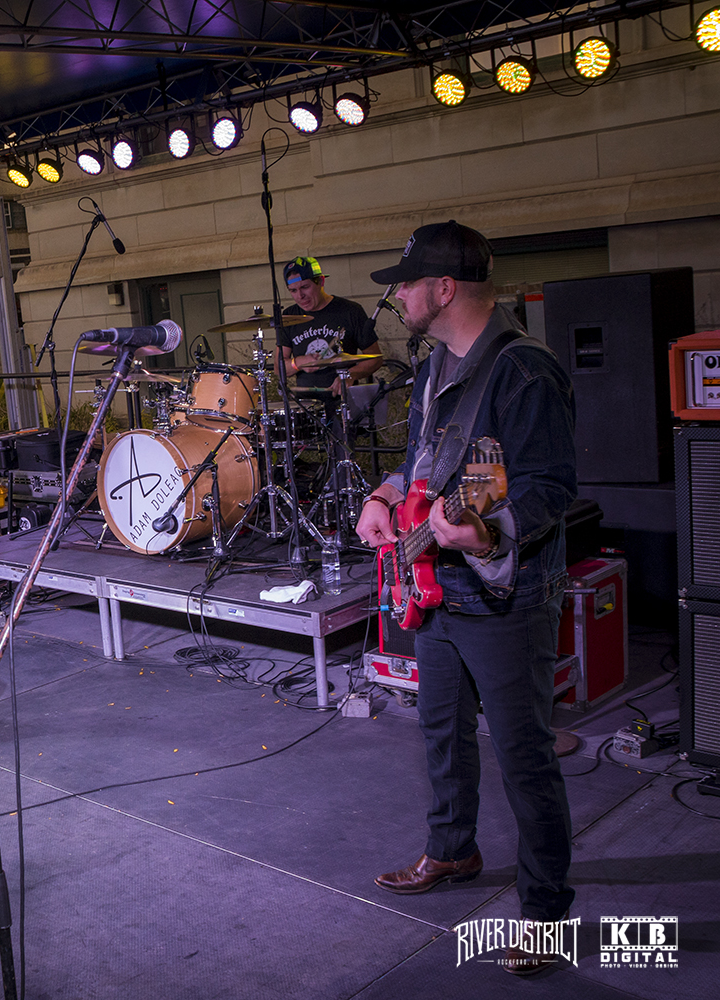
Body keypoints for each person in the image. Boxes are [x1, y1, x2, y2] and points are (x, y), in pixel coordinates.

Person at [355, 222, 577, 975]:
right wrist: (387, 495)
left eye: (407, 283)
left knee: (524, 758)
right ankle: (453, 850)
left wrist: (484, 533)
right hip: (438, 590)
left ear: (443, 288)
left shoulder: (524, 372)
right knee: (441, 733)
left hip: (505, 597)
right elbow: (422, 461)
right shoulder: (432, 367)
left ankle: (546, 914)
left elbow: (551, 489)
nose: (398, 297)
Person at [278, 256, 382, 392]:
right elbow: (279, 368)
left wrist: (350, 375)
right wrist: (297, 363)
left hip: (344, 397)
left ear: (321, 281)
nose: (300, 295)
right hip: (305, 401)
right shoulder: (289, 316)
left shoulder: (350, 311)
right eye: (293, 290)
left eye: (305, 287)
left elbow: (375, 359)